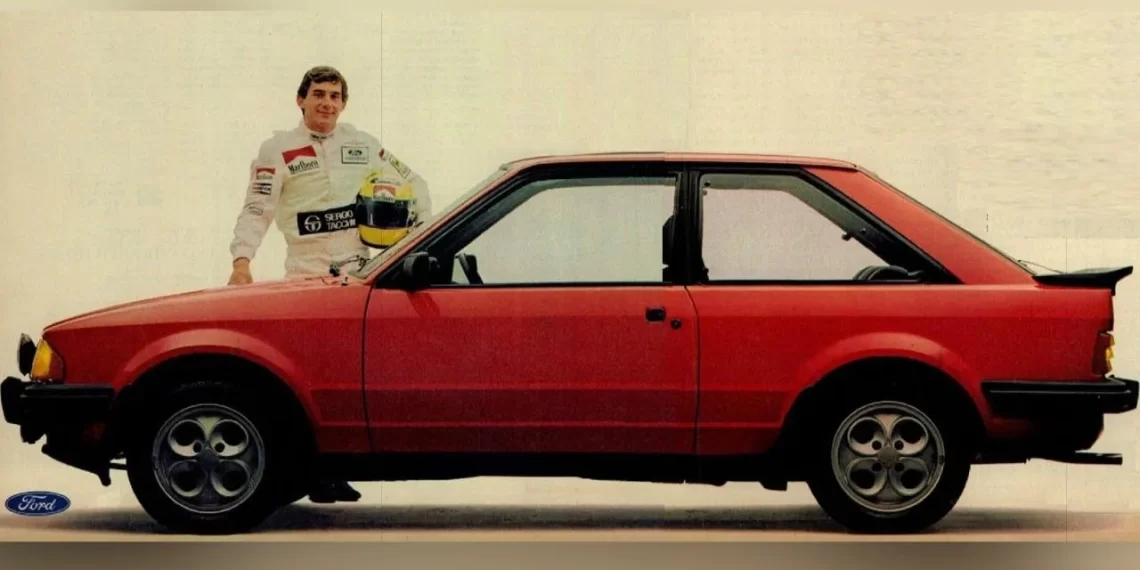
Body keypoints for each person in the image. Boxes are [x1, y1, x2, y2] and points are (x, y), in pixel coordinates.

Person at [226, 65, 432, 504]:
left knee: (353, 377)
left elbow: (415, 182)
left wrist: (419, 238)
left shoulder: (363, 144)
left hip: (358, 275)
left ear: (344, 103)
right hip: (305, 276)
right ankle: (312, 473)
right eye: (318, 94)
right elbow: (257, 208)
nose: (327, 103)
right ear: (300, 99)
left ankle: (339, 468)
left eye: (335, 96)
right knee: (310, 379)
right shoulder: (278, 149)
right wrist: (242, 262)